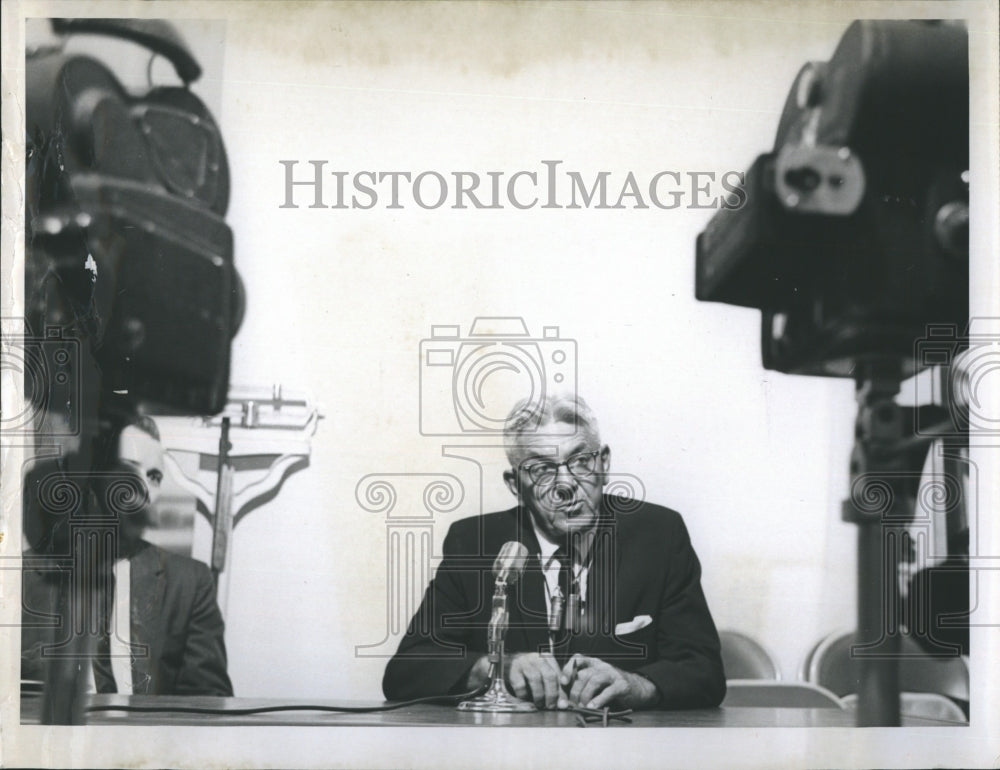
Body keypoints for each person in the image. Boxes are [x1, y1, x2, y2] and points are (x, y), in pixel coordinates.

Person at [383, 395, 725, 710]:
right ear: (516, 485)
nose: (565, 484)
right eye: (542, 469)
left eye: (580, 461)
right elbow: (407, 669)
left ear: (604, 463)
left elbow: (703, 669)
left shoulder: (658, 535)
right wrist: (495, 668)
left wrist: (636, 685)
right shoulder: (475, 541)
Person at [21, 415, 233, 696]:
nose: (143, 489)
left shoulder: (190, 584)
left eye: (154, 477)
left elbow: (210, 708)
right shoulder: (17, 579)